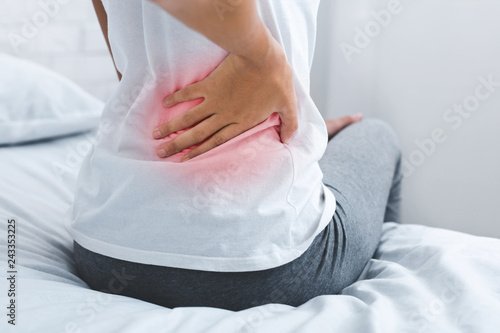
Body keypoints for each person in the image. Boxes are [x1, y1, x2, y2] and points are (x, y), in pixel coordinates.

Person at [69, 0, 402, 311]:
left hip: (105, 252)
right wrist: (263, 58)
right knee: (376, 135)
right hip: (262, 267)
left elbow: (126, 59)